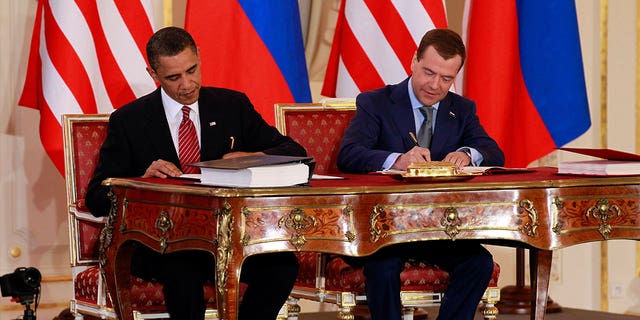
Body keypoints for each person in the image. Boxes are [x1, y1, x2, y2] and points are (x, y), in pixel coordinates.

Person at [85, 26, 305, 320]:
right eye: (174, 77)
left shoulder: (231, 106)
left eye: (192, 70)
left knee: (282, 264)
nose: (187, 84)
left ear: (199, 57)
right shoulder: (129, 121)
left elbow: (294, 151)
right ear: (154, 75)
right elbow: (97, 196)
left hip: (223, 238)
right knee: (182, 269)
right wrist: (140, 181)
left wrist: (253, 156)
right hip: (157, 243)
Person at [337, 28, 505, 320]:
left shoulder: (461, 109)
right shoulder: (376, 102)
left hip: (437, 227)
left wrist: (467, 153)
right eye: (429, 72)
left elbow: (493, 151)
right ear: (413, 61)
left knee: (479, 263)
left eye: (446, 78)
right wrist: (398, 160)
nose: (435, 85)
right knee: (384, 267)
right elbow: (349, 154)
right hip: (383, 229)